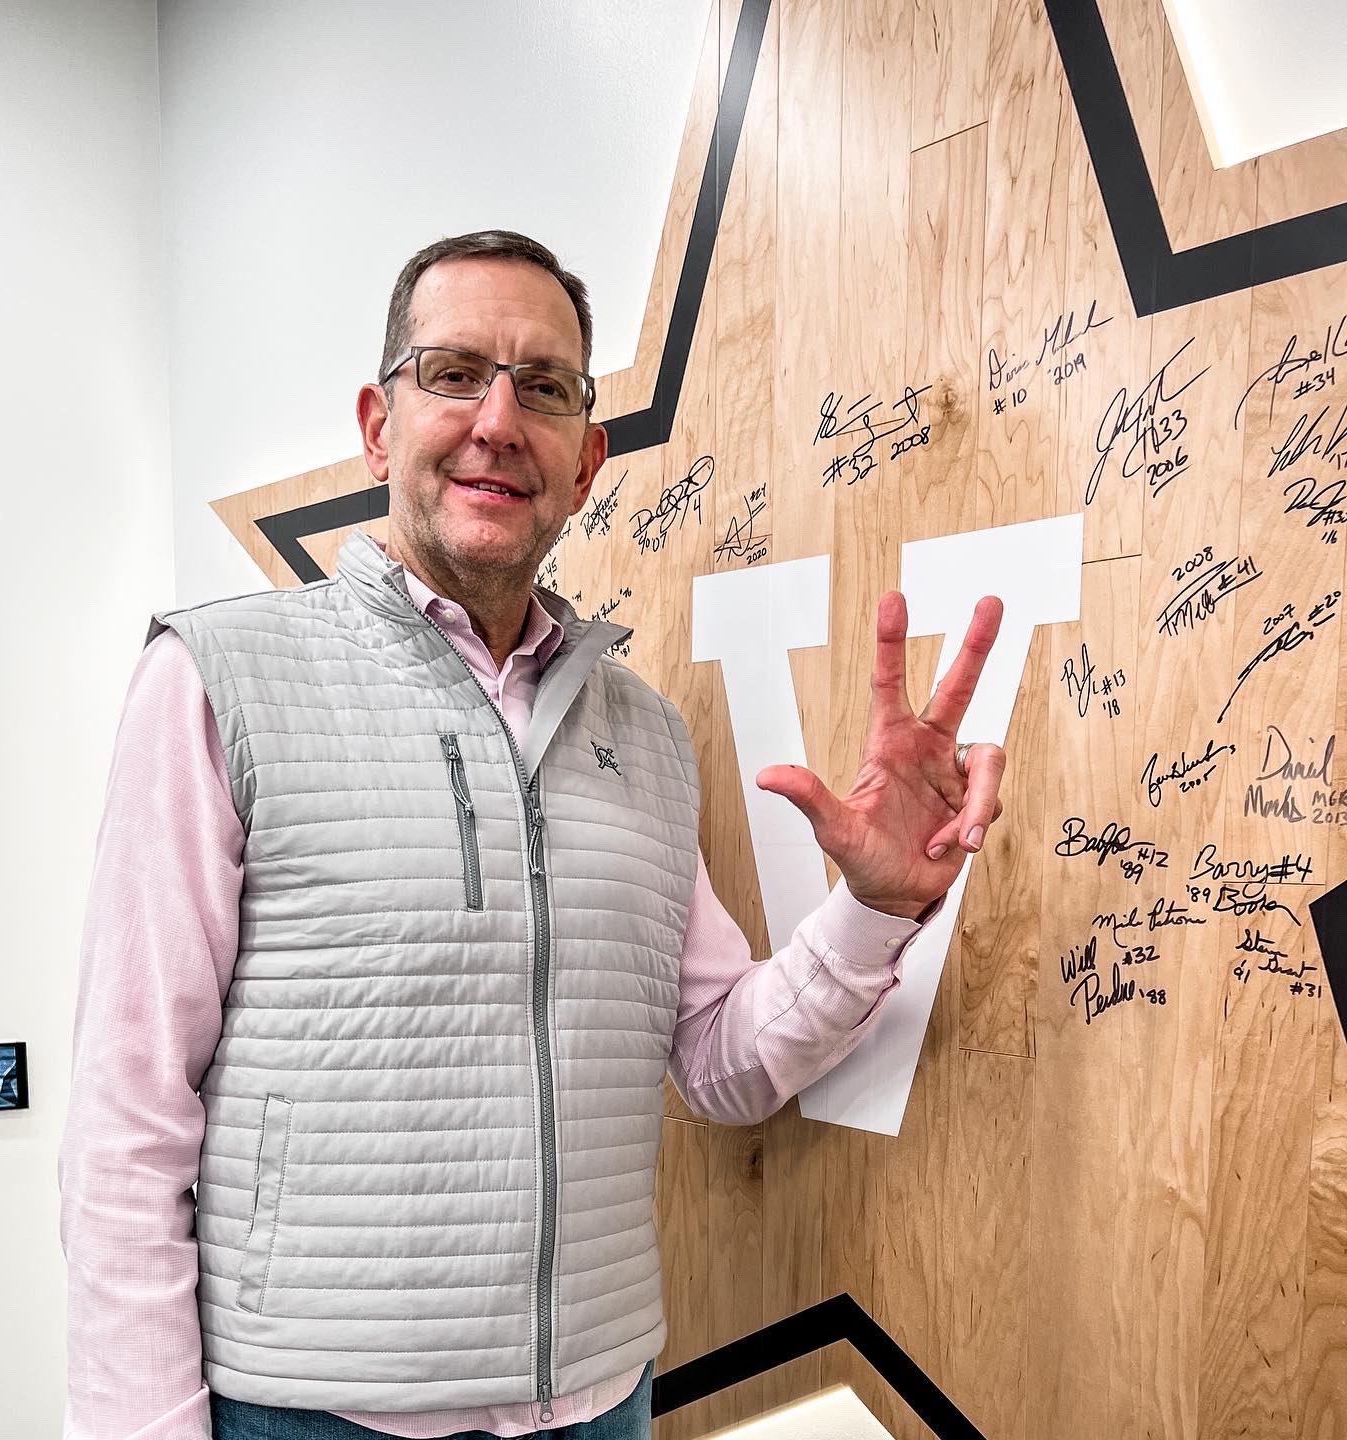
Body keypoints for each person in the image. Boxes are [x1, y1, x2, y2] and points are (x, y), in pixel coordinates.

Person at [57, 229, 1007, 1440]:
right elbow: (126, 1123)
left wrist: (873, 906)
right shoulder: (216, 682)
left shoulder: (647, 736)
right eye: (454, 373)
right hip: (311, 1417)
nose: (499, 420)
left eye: (545, 388)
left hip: (603, 1407)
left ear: (587, 459)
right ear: (378, 422)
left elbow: (720, 1061)